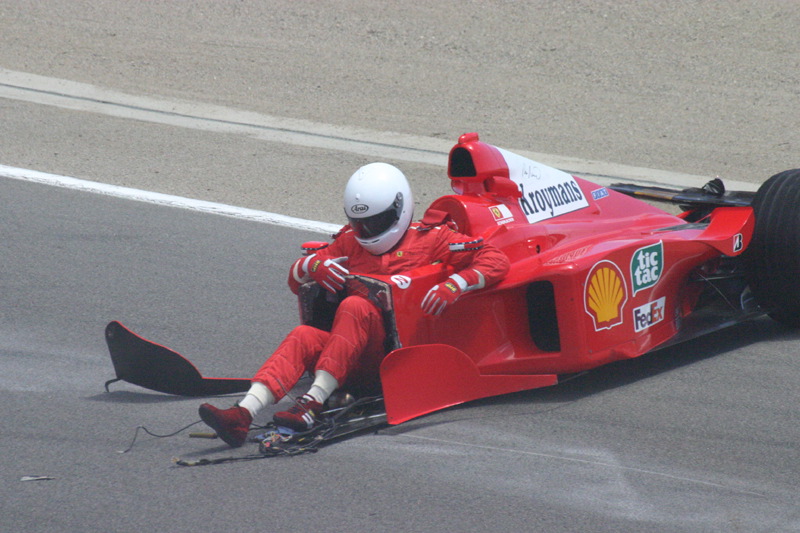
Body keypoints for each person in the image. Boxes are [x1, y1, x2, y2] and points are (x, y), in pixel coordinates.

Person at [198, 162, 510, 447]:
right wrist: (310, 267)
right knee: (303, 335)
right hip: (349, 358)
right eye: (361, 223)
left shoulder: (433, 239)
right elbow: (296, 279)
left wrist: (458, 282)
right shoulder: (348, 241)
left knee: (355, 306)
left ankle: (311, 403)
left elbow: (495, 259)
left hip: (395, 361)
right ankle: (242, 414)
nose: (368, 232)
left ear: (400, 208)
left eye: (377, 222)